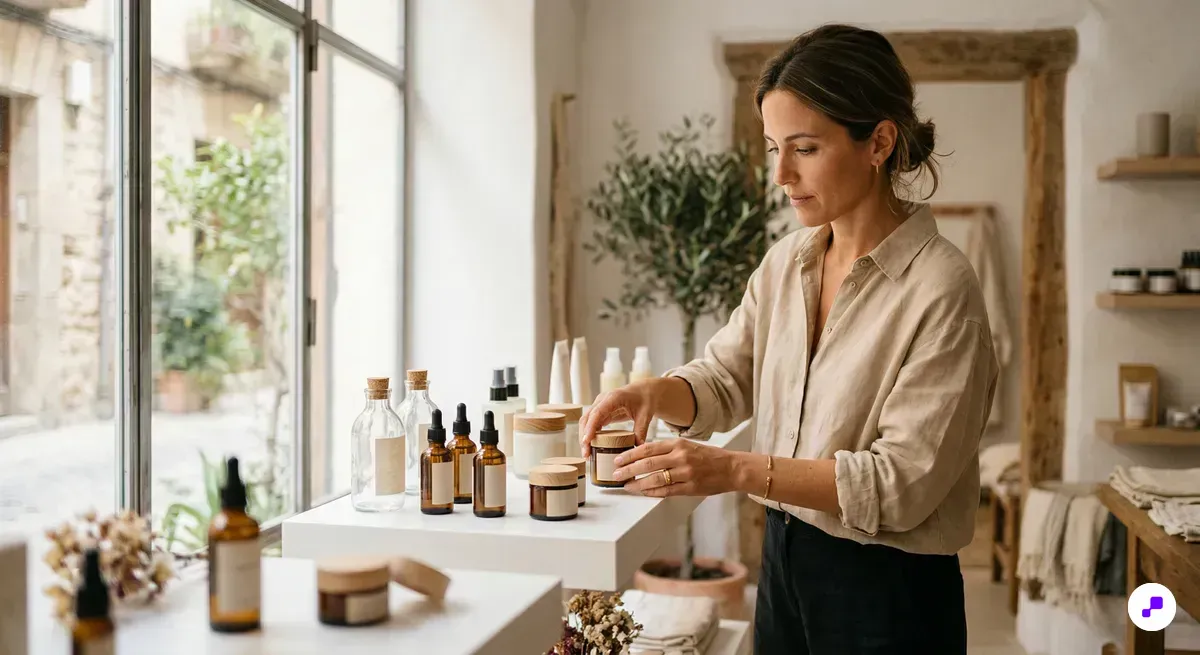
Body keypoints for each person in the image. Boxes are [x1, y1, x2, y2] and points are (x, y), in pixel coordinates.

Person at [580, 24, 999, 655]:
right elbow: (728, 377)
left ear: (879, 141)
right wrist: (654, 394)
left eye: (804, 147)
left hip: (887, 590)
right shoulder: (788, 262)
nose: (780, 173)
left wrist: (732, 469)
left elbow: (901, 485)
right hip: (785, 561)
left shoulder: (943, 289)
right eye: (774, 146)